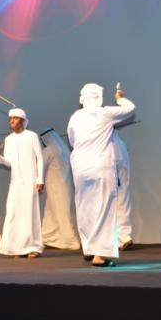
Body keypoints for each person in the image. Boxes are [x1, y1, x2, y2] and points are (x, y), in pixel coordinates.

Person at [67, 83, 135, 267]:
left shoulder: (75, 117)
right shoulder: (104, 113)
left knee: (85, 209)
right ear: (98, 97)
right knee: (104, 208)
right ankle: (101, 254)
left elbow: (72, 140)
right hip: (100, 167)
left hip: (80, 168)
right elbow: (130, 109)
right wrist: (120, 97)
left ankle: (89, 248)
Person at [0, 108, 44, 259]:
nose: (11, 121)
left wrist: (40, 179)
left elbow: (39, 158)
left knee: (29, 213)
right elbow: (9, 162)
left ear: (22, 120)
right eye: (10, 119)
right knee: (14, 212)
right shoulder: (9, 139)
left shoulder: (32, 136)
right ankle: (17, 248)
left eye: (14, 118)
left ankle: (33, 247)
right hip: (16, 182)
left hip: (30, 181)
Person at [39, 128, 80, 250]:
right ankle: (49, 237)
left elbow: (40, 166)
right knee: (52, 211)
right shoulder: (64, 150)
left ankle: (70, 241)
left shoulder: (49, 150)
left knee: (61, 213)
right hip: (66, 186)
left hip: (55, 187)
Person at [113, 127, 134, 251]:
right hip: (123, 181)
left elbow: (114, 163)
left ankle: (123, 237)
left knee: (117, 209)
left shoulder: (112, 144)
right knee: (123, 208)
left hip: (117, 181)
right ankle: (123, 238)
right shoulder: (121, 143)